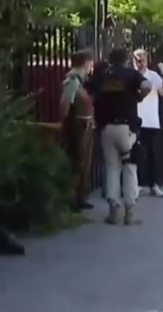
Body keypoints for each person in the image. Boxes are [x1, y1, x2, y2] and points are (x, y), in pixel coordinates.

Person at [87, 48, 152, 225]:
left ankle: (113, 211)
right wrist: (139, 97)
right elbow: (147, 86)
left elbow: (88, 93)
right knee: (130, 168)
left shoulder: (102, 75)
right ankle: (130, 212)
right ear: (125, 60)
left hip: (106, 127)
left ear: (110, 58)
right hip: (127, 128)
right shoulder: (131, 74)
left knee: (111, 168)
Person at [59, 50, 95, 212]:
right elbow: (65, 103)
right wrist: (65, 122)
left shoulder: (80, 81)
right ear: (85, 62)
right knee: (77, 162)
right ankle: (72, 198)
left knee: (83, 163)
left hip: (84, 126)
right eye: (91, 63)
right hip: (78, 127)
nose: (92, 66)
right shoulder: (73, 80)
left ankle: (80, 197)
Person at [132, 48, 163, 198]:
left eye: (143, 60)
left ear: (147, 61)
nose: (140, 63)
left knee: (152, 155)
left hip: (151, 121)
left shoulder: (153, 76)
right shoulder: (131, 77)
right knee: (136, 154)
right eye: (138, 60)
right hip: (135, 120)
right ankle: (138, 184)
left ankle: (154, 184)